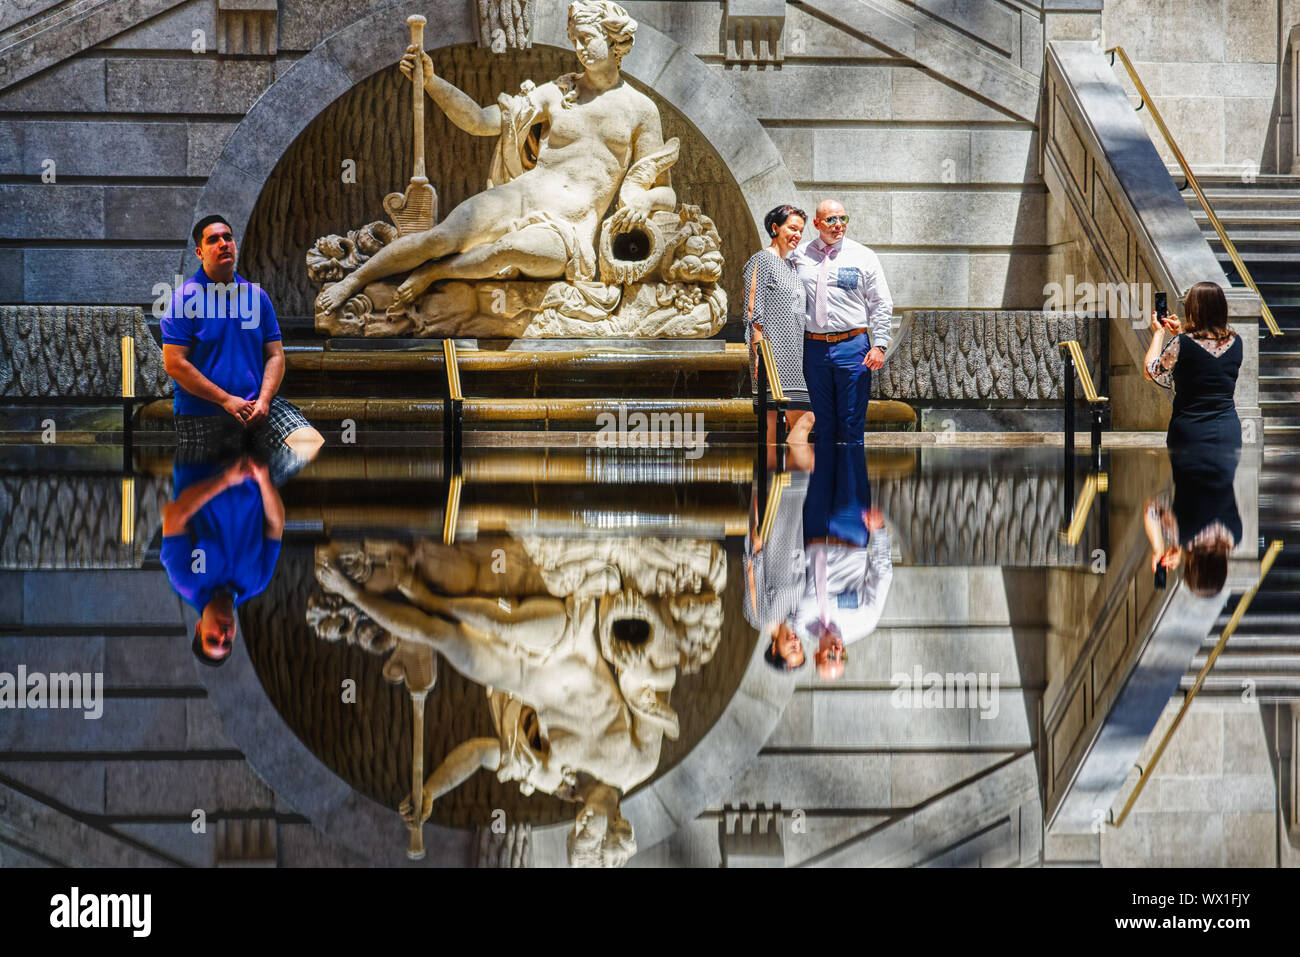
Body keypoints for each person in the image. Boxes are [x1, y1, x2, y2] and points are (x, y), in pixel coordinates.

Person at [316, 0, 675, 317]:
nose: (579, 48)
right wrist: (431, 82)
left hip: (570, 226)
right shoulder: (557, 93)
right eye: (575, 39)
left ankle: (435, 273)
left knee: (510, 249)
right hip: (522, 195)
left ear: (614, 40)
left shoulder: (641, 110)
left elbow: (665, 193)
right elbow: (478, 120)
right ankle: (354, 281)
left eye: (587, 38)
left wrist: (644, 201)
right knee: (439, 238)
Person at [161, 215, 324, 466]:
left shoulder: (256, 296)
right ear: (199, 252)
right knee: (223, 471)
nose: (223, 243)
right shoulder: (184, 299)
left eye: (228, 237)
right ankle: (252, 484)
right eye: (213, 240)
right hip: (204, 413)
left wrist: (265, 400)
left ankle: (263, 485)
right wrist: (226, 400)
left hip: (257, 408)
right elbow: (174, 364)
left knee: (309, 442)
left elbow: (275, 355)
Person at [161, 454, 285, 665]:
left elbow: (173, 515)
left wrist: (226, 480)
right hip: (255, 462)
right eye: (226, 643)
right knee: (308, 442)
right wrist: (263, 479)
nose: (223, 635)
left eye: (212, 639)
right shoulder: (257, 583)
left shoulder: (185, 581)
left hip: (202, 456)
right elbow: (275, 525)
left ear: (199, 627)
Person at [795, 199, 893, 445]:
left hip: (852, 347)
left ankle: (850, 482)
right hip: (814, 348)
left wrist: (879, 345)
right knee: (823, 425)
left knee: (850, 425)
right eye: (831, 220)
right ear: (817, 223)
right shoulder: (799, 255)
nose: (838, 225)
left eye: (843, 219)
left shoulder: (864, 256)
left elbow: (881, 302)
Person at [795, 441, 892, 680]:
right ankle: (851, 405)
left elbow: (792, 579)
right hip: (850, 532)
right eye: (842, 658)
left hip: (815, 530)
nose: (839, 651)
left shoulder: (801, 624)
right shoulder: (865, 622)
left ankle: (817, 404)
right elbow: (882, 574)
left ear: (817, 656)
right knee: (848, 449)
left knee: (822, 449)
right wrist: (879, 533)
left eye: (831, 657)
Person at [744, 204, 814, 447]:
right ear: (775, 228)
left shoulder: (791, 266)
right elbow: (753, 309)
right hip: (772, 357)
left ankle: (773, 481)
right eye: (792, 228)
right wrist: (758, 352)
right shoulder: (761, 260)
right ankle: (797, 481)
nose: (797, 235)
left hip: (792, 356)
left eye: (801, 230)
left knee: (774, 425)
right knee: (804, 418)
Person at [1143, 281, 1243, 449]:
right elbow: (1206, 359)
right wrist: (1180, 335)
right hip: (1227, 430)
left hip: (1190, 431)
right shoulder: (1236, 342)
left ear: (1193, 309)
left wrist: (1159, 333)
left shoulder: (1182, 343)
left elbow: (1151, 371)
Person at [1144, 443, 1241, 598]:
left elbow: (1205, 518)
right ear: (1191, 569)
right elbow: (1151, 510)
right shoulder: (1180, 535)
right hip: (1186, 444)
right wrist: (1159, 548)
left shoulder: (1235, 537)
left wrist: (1181, 545)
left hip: (1226, 442)